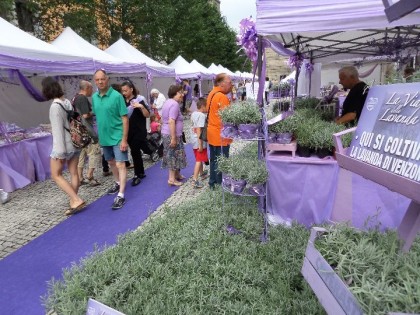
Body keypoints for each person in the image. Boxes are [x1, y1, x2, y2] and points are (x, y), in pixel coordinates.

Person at [41, 77, 86, 215]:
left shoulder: (55, 107)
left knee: (56, 175)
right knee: (73, 173)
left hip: (64, 146)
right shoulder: (66, 102)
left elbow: (58, 132)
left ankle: (75, 199)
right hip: (75, 143)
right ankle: (73, 202)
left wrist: (59, 153)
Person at [92, 69, 128, 210]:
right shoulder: (94, 97)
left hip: (118, 137)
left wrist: (124, 139)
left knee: (121, 165)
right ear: (95, 81)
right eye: (97, 79)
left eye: (102, 79)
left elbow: (125, 118)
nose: (100, 82)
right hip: (105, 138)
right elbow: (99, 116)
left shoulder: (117, 96)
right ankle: (117, 182)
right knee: (111, 162)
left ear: (107, 79)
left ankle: (121, 195)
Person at [120, 80, 151, 186]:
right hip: (128, 131)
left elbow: (147, 115)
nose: (124, 93)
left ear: (131, 89)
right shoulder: (122, 102)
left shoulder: (140, 99)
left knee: (134, 151)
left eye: (125, 90)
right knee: (135, 152)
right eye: (122, 91)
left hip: (139, 130)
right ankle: (141, 172)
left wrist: (140, 106)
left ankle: (137, 174)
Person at [207, 73, 233, 189]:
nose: (231, 85)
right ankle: (220, 186)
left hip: (212, 133)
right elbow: (228, 118)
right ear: (221, 84)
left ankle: (212, 183)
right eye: (229, 83)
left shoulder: (211, 94)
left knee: (213, 160)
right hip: (221, 135)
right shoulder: (222, 97)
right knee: (221, 161)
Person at [72, 80, 101, 187]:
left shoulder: (74, 98)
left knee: (82, 154)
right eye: (91, 88)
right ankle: (90, 175)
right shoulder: (82, 98)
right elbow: (85, 115)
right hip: (87, 130)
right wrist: (94, 113)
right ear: (87, 88)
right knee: (94, 152)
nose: (92, 90)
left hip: (79, 132)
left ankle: (80, 177)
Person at [161, 84, 187, 186]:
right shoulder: (174, 104)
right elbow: (171, 121)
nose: (182, 94)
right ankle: (171, 179)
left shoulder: (168, 102)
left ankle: (177, 174)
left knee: (175, 154)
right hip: (171, 134)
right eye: (180, 92)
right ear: (175, 93)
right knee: (173, 156)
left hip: (167, 133)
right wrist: (173, 138)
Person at [190, 97, 209, 189]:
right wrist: (200, 144)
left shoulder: (193, 113)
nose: (207, 108)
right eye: (206, 106)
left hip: (193, 140)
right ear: (202, 106)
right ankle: (195, 180)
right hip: (199, 140)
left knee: (199, 158)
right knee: (199, 160)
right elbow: (199, 130)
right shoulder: (202, 116)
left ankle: (202, 174)